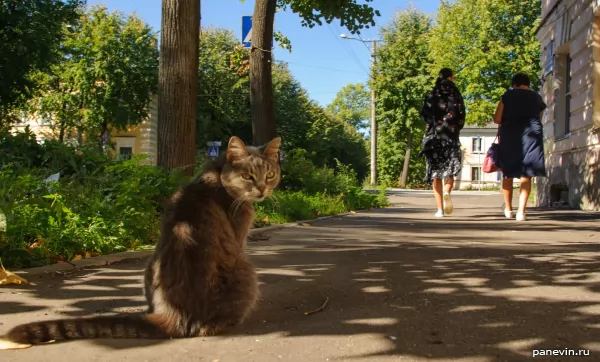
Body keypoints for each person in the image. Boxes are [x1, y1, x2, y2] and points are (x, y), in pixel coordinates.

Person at [493, 72, 546, 221]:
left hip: (510, 134)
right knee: (526, 172)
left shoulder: (507, 96)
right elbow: (539, 117)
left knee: (508, 171)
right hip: (532, 134)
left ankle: (508, 209)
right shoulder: (536, 97)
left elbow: (497, 119)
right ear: (527, 84)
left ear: (513, 84)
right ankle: (521, 212)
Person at [420, 68, 466, 217]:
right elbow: (461, 116)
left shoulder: (431, 94)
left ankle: (439, 209)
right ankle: (447, 191)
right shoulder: (456, 94)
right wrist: (456, 128)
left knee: (435, 173)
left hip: (434, 137)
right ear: (451, 78)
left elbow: (425, 115)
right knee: (450, 171)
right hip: (451, 137)